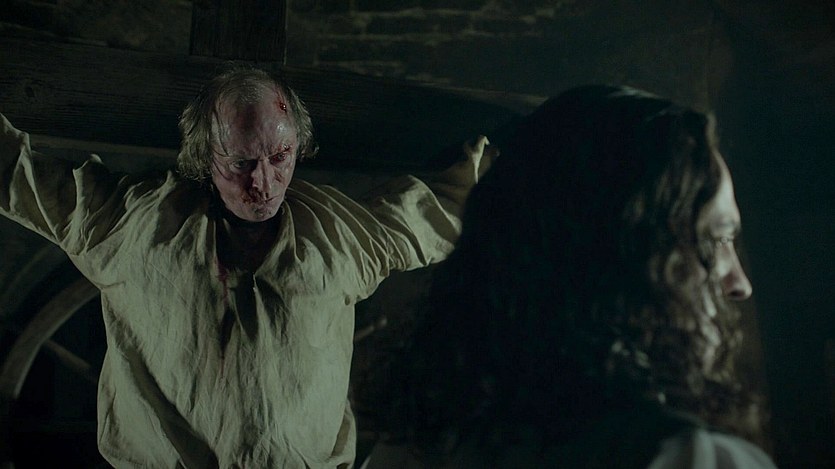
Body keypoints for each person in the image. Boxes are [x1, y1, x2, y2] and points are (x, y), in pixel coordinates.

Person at [0, 65, 493, 468]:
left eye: (280, 157)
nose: (263, 182)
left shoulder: (338, 236)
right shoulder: (131, 225)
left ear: (298, 147)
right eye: (240, 163)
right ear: (205, 155)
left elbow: (436, 212)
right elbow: (17, 178)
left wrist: (505, 161)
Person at [364, 85, 778, 468]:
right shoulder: (692, 459)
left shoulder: (408, 451)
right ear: (625, 257)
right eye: (717, 238)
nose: (740, 284)